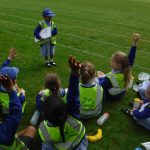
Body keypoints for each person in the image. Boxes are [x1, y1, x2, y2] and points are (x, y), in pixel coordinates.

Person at [38, 56, 88, 150]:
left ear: (44, 114)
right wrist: (74, 73)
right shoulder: (73, 118)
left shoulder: (43, 129)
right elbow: (73, 97)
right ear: (65, 109)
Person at [97, 33, 140, 100]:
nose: (110, 62)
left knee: (96, 80)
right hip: (122, 92)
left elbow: (100, 86)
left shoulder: (110, 78)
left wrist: (100, 78)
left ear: (119, 65)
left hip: (112, 96)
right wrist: (134, 43)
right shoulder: (126, 67)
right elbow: (131, 57)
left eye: (112, 61)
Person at [0, 75, 36, 150]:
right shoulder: (5, 131)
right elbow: (16, 111)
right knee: (31, 129)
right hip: (17, 146)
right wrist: (11, 89)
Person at [0, 48, 26, 115]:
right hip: (13, 111)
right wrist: (23, 93)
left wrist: (9, 58)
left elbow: (2, 69)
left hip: (2, 109)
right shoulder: (16, 93)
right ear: (14, 81)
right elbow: (21, 100)